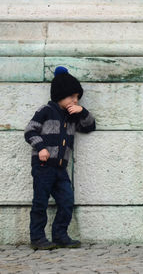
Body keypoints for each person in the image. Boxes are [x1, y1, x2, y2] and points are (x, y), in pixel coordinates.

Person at [24, 66, 96, 250]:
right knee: (40, 202)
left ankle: (60, 235)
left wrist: (82, 111)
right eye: (72, 96)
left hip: (60, 168)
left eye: (78, 97)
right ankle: (37, 237)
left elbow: (89, 126)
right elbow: (30, 130)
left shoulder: (72, 116)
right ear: (60, 95)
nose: (75, 100)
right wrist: (40, 147)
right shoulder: (46, 110)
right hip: (43, 165)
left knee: (66, 201)